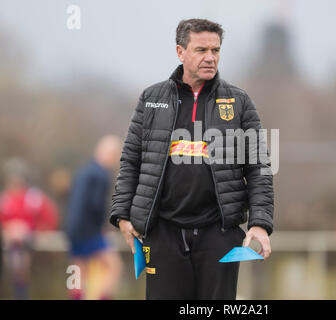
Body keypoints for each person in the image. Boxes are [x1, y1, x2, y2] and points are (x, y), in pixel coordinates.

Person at [110, 18, 274, 300]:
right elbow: (131, 161)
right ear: (180, 52)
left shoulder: (239, 102)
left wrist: (260, 222)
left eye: (216, 50)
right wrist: (122, 215)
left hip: (219, 234)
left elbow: (259, 167)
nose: (210, 57)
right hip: (162, 233)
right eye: (201, 50)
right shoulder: (151, 99)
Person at [66, 135, 123, 300]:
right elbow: (96, 205)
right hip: (90, 230)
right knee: (114, 266)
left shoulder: (82, 171)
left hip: (72, 228)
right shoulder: (101, 175)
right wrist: (101, 227)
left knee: (78, 268)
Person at [0, 157, 59, 299]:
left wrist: (34, 230)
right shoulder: (4, 199)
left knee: (20, 264)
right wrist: (8, 229)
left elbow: (50, 218)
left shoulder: (33, 197)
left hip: (28, 241)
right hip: (8, 242)